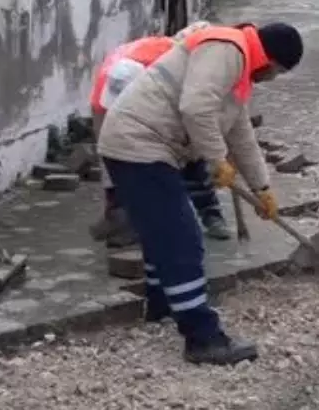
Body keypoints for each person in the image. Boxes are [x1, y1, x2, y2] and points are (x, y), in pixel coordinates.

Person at [97, 22, 303, 365]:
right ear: (270, 58)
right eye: (279, 71)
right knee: (183, 239)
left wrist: (262, 187)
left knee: (162, 233)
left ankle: (160, 306)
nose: (274, 78)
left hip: (148, 145)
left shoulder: (239, 73)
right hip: (139, 142)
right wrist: (216, 160)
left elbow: (241, 136)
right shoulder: (228, 49)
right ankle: (202, 337)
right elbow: (195, 107)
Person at [87, 24, 234, 247]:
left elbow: (195, 108)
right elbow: (108, 153)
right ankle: (120, 217)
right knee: (118, 158)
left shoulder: (168, 66)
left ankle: (211, 214)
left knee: (191, 158)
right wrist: (114, 194)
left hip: (178, 101)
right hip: (129, 98)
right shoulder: (101, 98)